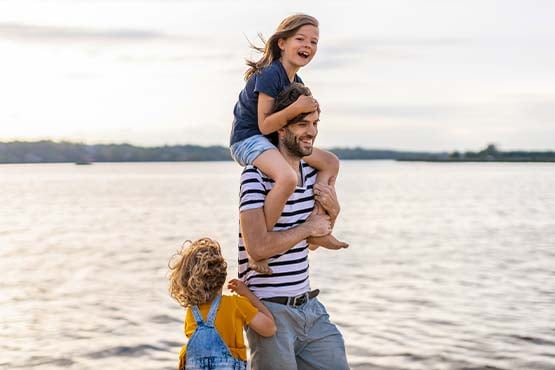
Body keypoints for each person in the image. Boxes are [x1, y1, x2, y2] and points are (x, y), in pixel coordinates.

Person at [237, 83, 349, 369]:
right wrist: (308, 227)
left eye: (314, 123)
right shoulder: (256, 175)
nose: (311, 131)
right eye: (302, 124)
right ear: (281, 129)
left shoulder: (313, 172)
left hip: (309, 309)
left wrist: (334, 212)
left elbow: (313, 240)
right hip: (269, 311)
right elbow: (258, 247)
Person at [230, 14, 347, 275]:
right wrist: (296, 106)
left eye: (314, 42)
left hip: (271, 141)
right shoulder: (270, 74)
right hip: (248, 139)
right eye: (301, 39)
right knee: (287, 177)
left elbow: (296, 122)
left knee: (330, 162)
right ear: (282, 43)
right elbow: (264, 125)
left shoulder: (297, 82)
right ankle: (259, 246)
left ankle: (318, 227)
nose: (308, 45)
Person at [168, 237, 276, 370]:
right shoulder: (236, 305)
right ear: (222, 275)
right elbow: (270, 329)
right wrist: (247, 293)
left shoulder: (192, 312)